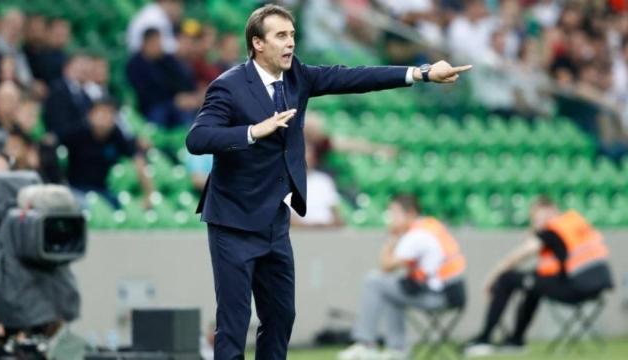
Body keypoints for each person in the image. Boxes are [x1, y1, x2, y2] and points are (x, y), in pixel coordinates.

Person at [185, 4, 471, 359]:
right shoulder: (227, 86)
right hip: (233, 221)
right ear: (257, 43)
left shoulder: (297, 76)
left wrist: (421, 72)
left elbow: (354, 77)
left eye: (292, 35)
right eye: (280, 36)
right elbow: (197, 139)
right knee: (234, 321)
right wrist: (253, 132)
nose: (290, 43)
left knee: (281, 316)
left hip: (274, 219)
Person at [464, 196, 614, 357]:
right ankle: (516, 340)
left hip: (574, 288)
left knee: (506, 279)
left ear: (549, 212)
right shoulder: (574, 221)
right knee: (533, 284)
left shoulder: (552, 229)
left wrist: (491, 277)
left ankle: (485, 338)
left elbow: (520, 254)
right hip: (596, 288)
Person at [338, 195, 466, 360]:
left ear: (411, 213)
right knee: (392, 292)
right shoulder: (430, 224)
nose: (391, 219)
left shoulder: (416, 235)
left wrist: (391, 239)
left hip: (439, 297)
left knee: (373, 281)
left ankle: (365, 344)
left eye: (395, 213)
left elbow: (386, 266)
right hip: (452, 293)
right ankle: (398, 350)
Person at [62, 98, 153, 208]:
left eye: (110, 114)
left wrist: (148, 194)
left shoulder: (116, 135)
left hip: (103, 190)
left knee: (125, 209)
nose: (105, 118)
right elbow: (52, 141)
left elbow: (137, 157)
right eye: (101, 113)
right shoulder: (76, 133)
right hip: (77, 189)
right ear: (90, 115)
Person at [126, 28, 197, 128]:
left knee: (190, 111)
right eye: (156, 43)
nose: (159, 46)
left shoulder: (165, 59)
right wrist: (173, 100)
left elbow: (181, 80)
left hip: (174, 102)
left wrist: (188, 96)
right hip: (151, 106)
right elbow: (145, 93)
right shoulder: (135, 64)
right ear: (146, 43)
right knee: (160, 114)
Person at [290, 142, 343, 228]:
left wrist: (330, 225)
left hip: (326, 234)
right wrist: (310, 227)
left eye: (309, 155)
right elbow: (286, 218)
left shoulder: (324, 181)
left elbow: (336, 212)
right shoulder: (284, 182)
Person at [42, 53, 92, 142]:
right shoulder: (57, 88)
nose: (84, 69)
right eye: (80, 65)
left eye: (86, 67)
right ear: (67, 67)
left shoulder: (86, 96)